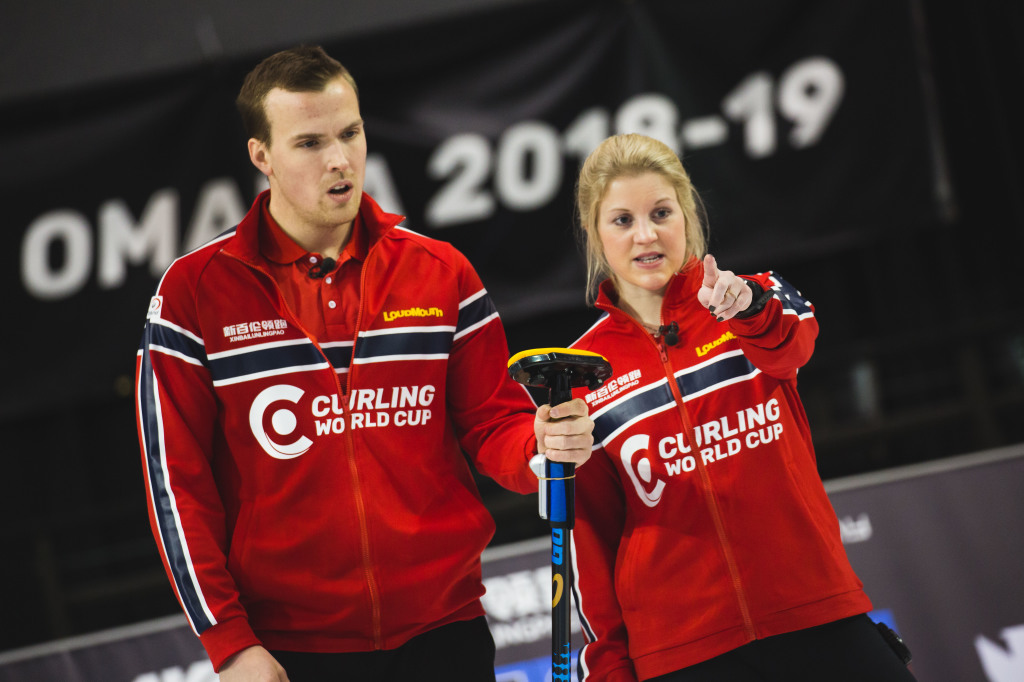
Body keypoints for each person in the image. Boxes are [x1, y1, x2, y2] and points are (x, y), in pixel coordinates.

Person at [134, 45, 594, 682]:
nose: (340, 159)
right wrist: (229, 642)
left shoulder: (441, 272)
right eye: (310, 143)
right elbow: (175, 487)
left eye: (351, 133)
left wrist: (540, 446)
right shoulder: (191, 294)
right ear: (260, 156)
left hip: (447, 633)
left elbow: (494, 426)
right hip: (292, 654)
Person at [566, 134, 917, 682]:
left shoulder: (755, 299)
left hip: (815, 613)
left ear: (687, 213)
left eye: (661, 212)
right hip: (683, 653)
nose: (646, 235)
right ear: (594, 234)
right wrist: (611, 670)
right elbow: (590, 537)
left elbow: (792, 344)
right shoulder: (580, 373)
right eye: (622, 220)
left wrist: (748, 310)